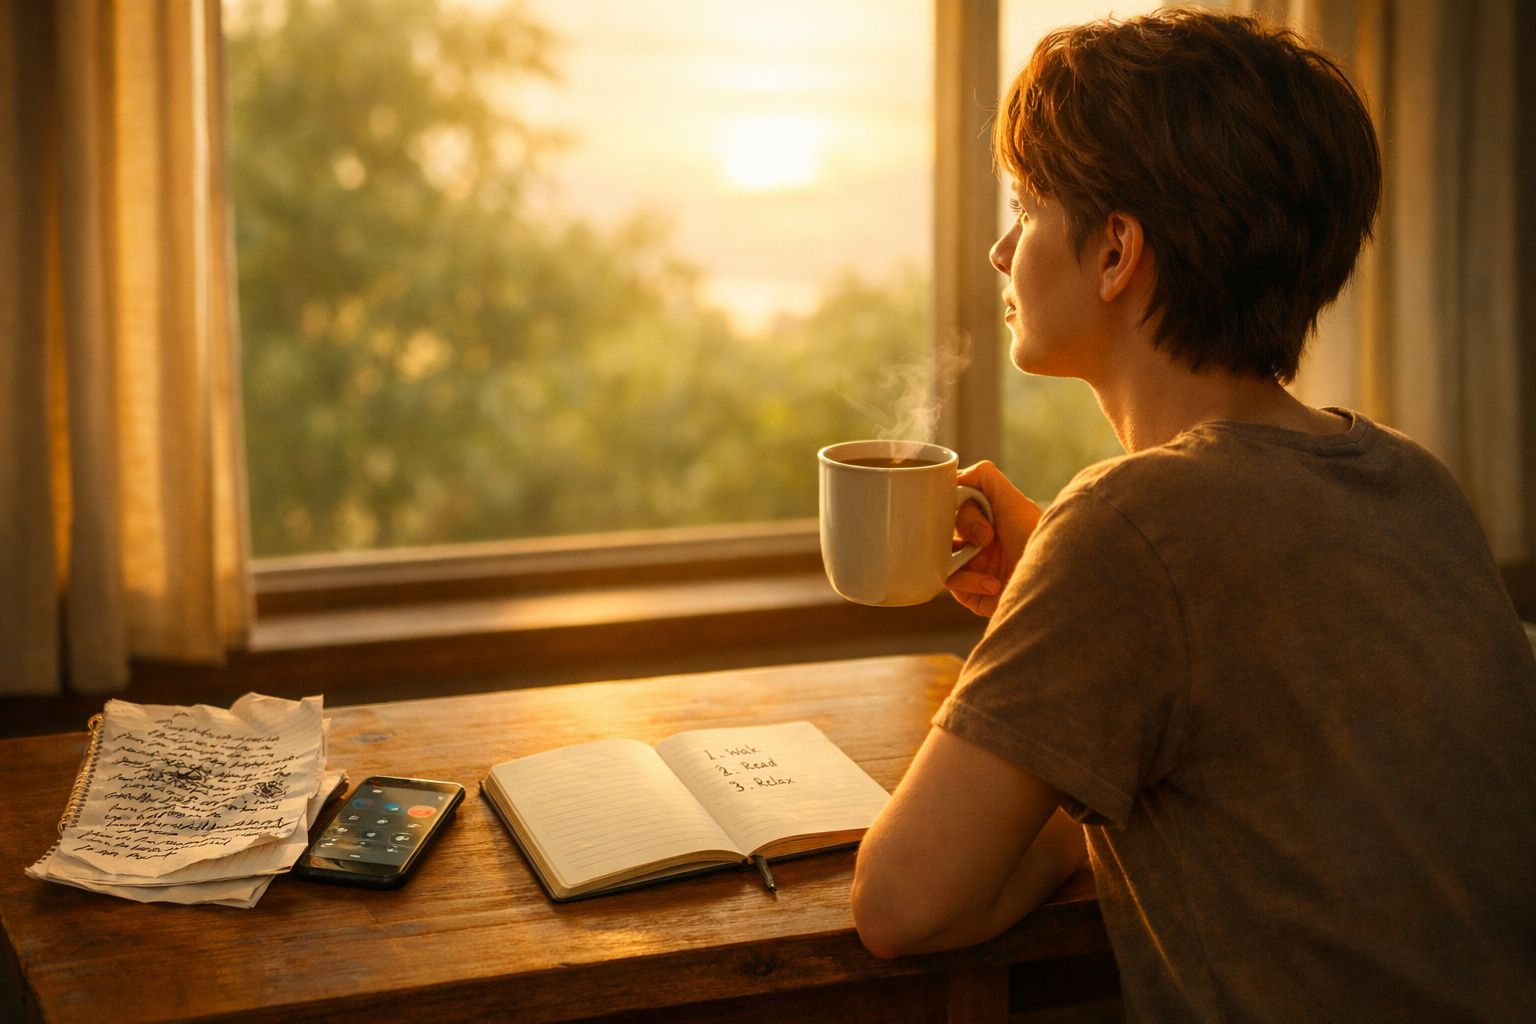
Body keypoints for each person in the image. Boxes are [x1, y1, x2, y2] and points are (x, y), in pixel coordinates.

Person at [850, 8, 1536, 1021]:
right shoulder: (1409, 478)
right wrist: (1067, 632)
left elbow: (902, 903)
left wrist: (1080, 594)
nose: (1001, 251)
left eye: (1026, 208)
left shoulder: (1130, 525)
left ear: (1117, 250)